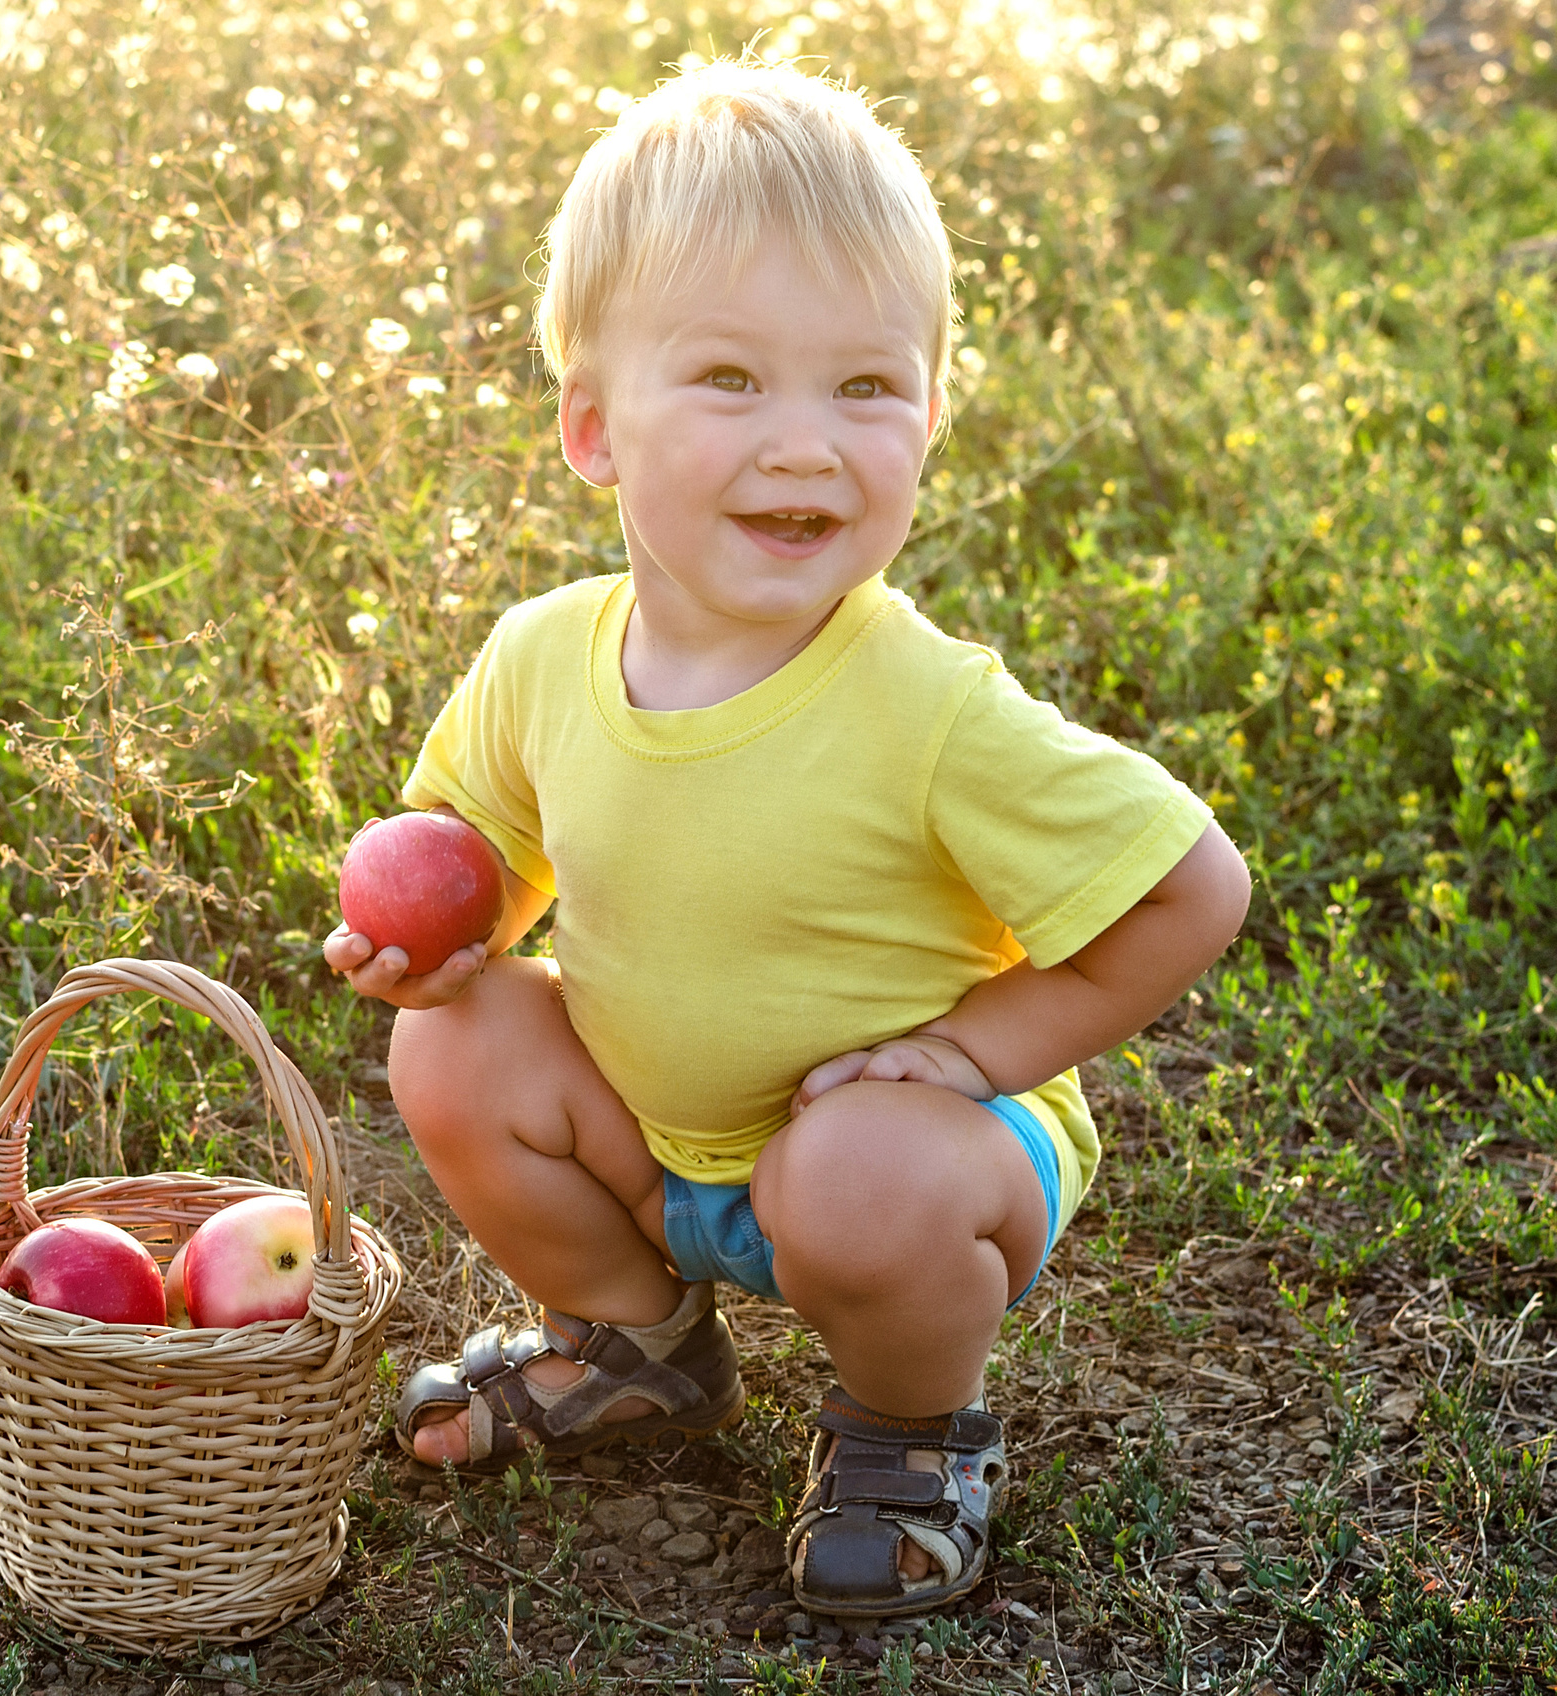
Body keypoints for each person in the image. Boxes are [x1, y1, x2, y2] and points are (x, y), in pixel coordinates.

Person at [324, 58, 1251, 1620]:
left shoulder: (928, 705)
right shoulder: (547, 655)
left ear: (929, 418)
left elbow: (1190, 887)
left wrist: (975, 1055)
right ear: (594, 429)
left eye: (865, 387)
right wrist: (431, 935)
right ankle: (640, 1345)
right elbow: (475, 845)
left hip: (914, 1164)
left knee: (853, 1176)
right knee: (457, 1046)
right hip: (663, 1141)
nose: (809, 443)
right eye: (733, 381)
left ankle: (911, 1431)